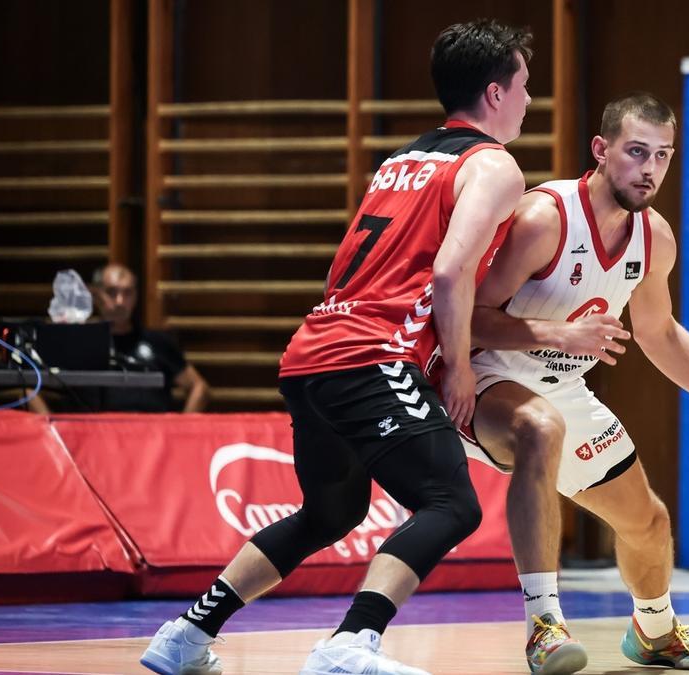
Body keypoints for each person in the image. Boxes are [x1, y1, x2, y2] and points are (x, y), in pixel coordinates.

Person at [140, 18, 532, 675]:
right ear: (495, 95)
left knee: (331, 509)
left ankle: (185, 632)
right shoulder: (494, 165)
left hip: (313, 350)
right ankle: (352, 641)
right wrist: (458, 368)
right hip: (371, 355)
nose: (528, 100)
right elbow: (449, 271)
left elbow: (342, 269)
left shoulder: (401, 161)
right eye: (524, 87)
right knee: (452, 502)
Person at [458, 92, 689, 674]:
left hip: (562, 385)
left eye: (662, 155)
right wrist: (559, 334)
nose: (650, 168)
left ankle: (655, 632)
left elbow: (658, 333)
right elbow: (465, 317)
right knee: (539, 427)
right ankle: (544, 627)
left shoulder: (654, 237)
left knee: (648, 522)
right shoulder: (544, 218)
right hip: (483, 374)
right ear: (601, 151)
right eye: (636, 152)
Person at [27, 263, 210, 414]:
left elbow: (199, 387)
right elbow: (30, 387)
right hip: (90, 444)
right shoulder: (75, 341)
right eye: (112, 292)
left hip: (149, 446)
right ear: (96, 294)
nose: (120, 301)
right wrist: (51, 430)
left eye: (127, 293)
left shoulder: (158, 343)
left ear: (136, 296)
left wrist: (178, 432)